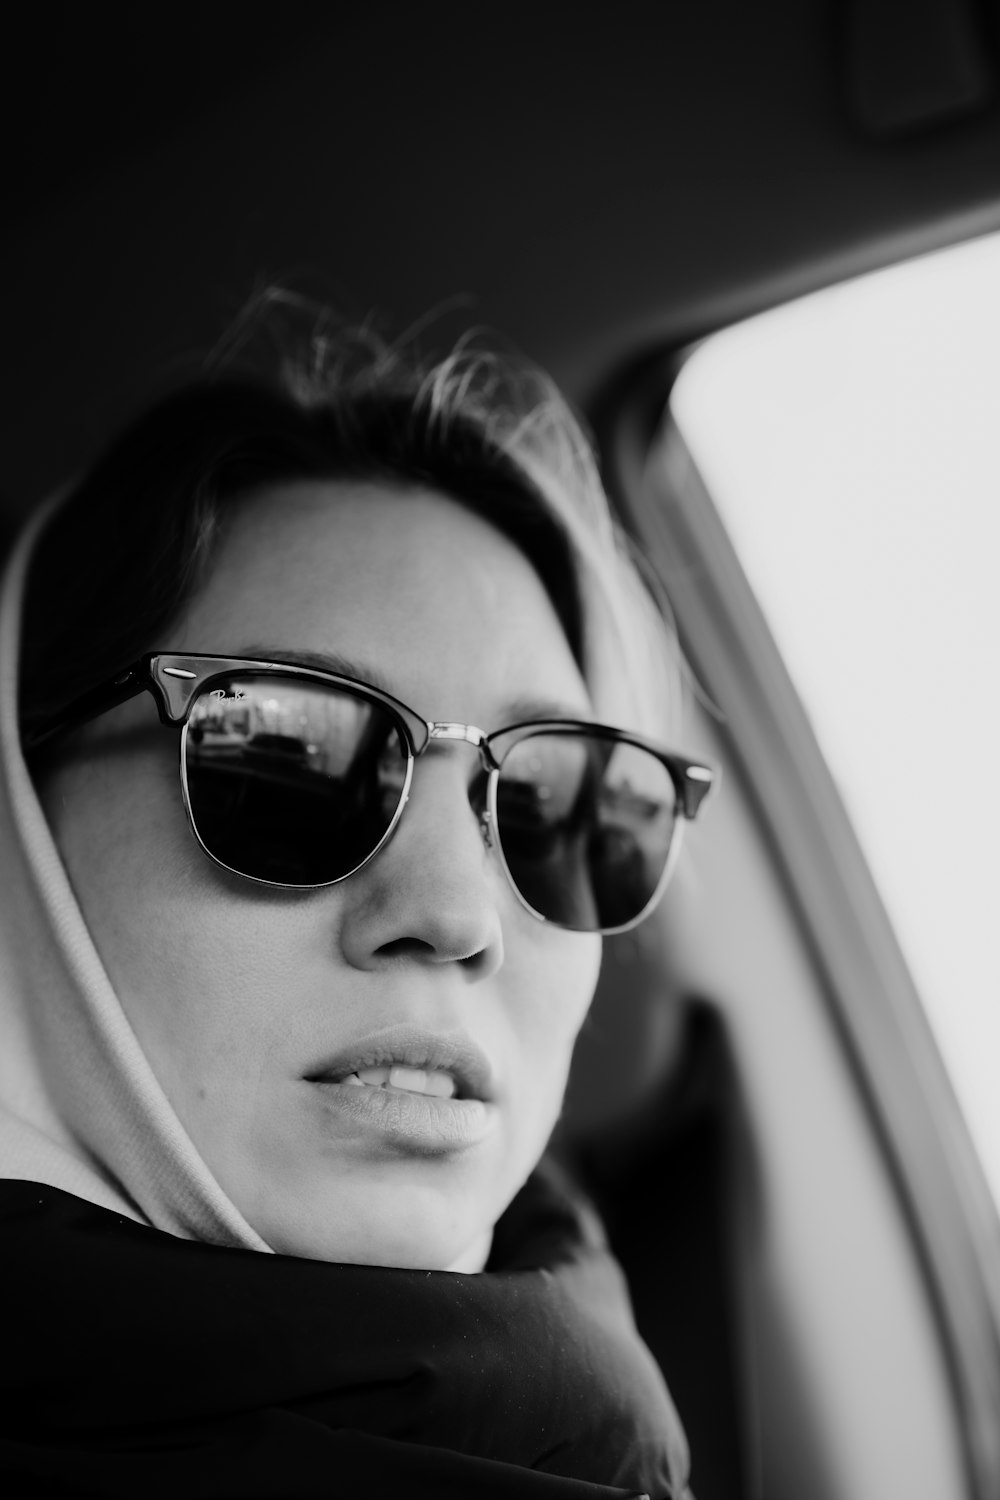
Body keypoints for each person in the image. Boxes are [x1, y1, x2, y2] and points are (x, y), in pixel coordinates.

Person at [0, 299, 713, 1498]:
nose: (456, 915)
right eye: (283, 756)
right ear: (20, 831)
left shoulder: (612, 1432)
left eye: (549, 801)